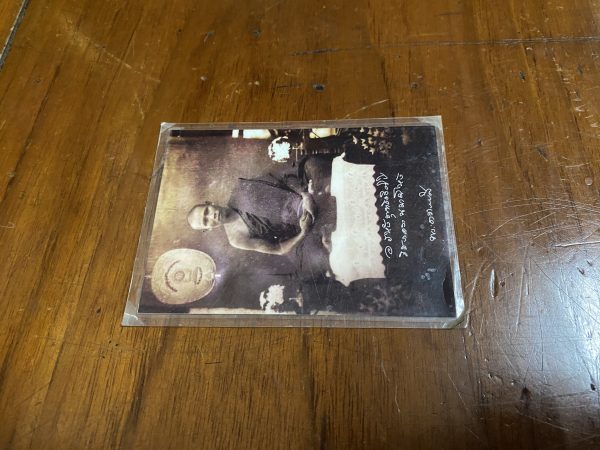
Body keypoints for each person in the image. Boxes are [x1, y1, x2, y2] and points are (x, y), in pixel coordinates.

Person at [188, 174, 317, 255]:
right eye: (206, 221)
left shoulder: (241, 190)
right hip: (307, 227)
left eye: (207, 211)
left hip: (306, 198)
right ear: (208, 229)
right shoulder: (236, 239)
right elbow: (279, 249)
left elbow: (282, 178)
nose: (212, 216)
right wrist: (304, 232)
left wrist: (304, 194)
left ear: (210, 203)